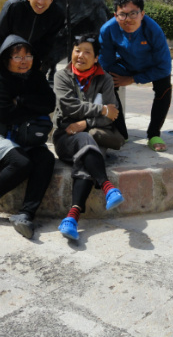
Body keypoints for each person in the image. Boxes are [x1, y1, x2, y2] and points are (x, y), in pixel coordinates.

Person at [0, 35, 56, 239]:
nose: (24, 61)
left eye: (28, 56)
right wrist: (34, 107)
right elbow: (6, 115)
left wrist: (21, 101)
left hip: (27, 138)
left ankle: (26, 214)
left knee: (46, 159)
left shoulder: (36, 78)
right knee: (21, 162)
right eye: (17, 57)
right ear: (6, 59)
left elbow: (50, 103)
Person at [53, 33, 125, 241]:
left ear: (96, 58)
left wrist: (85, 123)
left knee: (88, 146)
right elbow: (69, 107)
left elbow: (112, 117)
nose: (80, 56)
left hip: (93, 135)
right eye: (77, 50)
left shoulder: (105, 79)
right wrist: (101, 109)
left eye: (87, 52)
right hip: (65, 136)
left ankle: (72, 218)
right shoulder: (62, 76)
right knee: (87, 142)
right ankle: (107, 186)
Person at [99, 0, 172, 152]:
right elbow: (106, 62)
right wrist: (114, 77)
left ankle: (154, 134)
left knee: (164, 87)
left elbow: (164, 67)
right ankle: (121, 132)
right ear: (115, 15)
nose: (128, 19)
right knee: (105, 81)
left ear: (142, 14)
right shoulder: (107, 30)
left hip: (151, 66)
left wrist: (133, 79)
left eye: (133, 13)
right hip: (124, 65)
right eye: (122, 15)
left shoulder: (153, 30)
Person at [0, 0, 65, 72]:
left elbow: (50, 43)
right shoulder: (13, 7)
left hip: (36, 64)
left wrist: (40, 65)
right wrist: (7, 61)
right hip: (12, 61)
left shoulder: (57, 14)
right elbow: (0, 36)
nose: (40, 2)